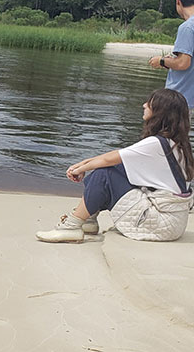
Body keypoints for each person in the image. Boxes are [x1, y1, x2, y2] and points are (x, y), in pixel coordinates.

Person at [36, 88, 193, 243]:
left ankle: (71, 227)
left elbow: (109, 159)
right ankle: (89, 220)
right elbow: (118, 158)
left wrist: (79, 168)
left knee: (105, 173)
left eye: (150, 104)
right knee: (118, 168)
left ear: (160, 112)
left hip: (160, 224)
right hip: (172, 222)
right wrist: (82, 165)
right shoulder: (176, 144)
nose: (144, 105)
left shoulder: (156, 143)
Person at [148, 0, 194, 109]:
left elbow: (183, 63)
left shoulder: (188, 27)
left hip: (178, 99)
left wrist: (162, 61)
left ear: (178, 1)